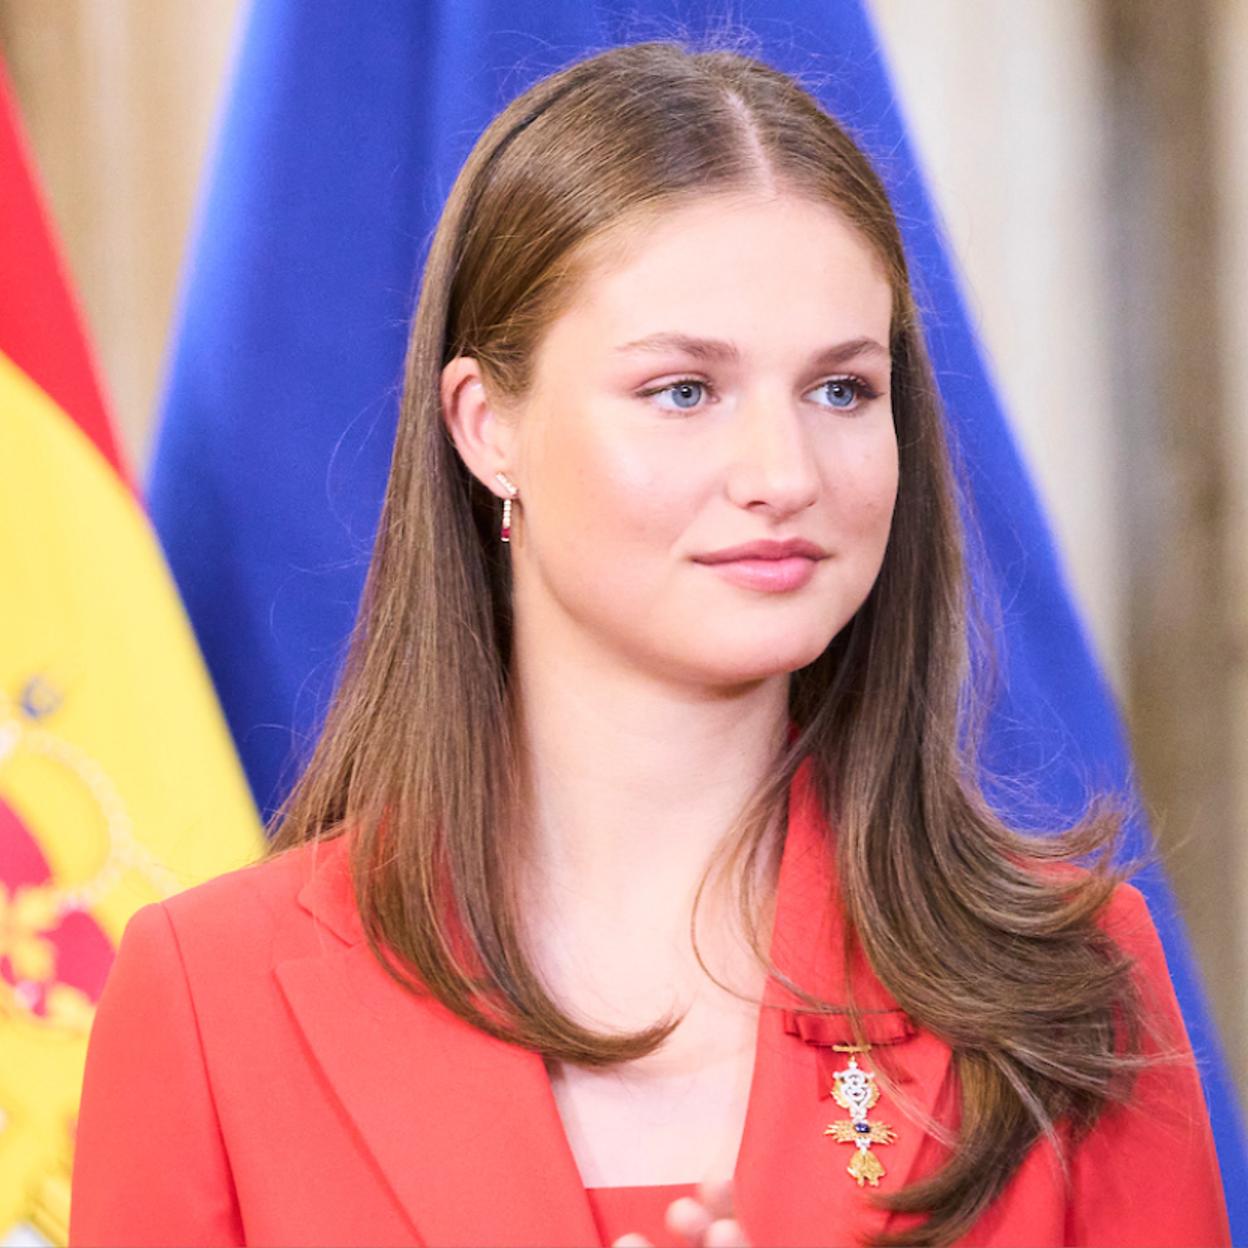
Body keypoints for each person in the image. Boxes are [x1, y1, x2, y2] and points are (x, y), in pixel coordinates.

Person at [68, 36, 1230, 1248]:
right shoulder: (213, 999)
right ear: (486, 427)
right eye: (684, 391)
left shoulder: (1072, 981)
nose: (783, 475)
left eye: (841, 390)